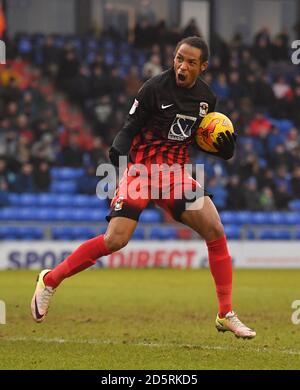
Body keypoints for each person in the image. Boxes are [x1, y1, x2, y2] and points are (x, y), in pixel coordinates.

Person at [31, 36, 256, 339]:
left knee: (215, 229)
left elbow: (197, 139)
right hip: (142, 172)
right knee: (115, 241)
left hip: (175, 174)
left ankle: (225, 313)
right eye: (179, 58)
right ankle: (51, 280)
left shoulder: (206, 99)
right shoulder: (153, 89)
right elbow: (129, 128)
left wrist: (223, 151)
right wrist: (117, 152)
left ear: (203, 66)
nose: (182, 65)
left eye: (190, 62)